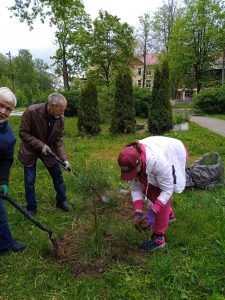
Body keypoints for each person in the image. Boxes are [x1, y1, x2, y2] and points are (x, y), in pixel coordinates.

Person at [118, 136, 188, 251]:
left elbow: (167, 191)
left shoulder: (157, 161)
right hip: (160, 149)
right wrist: (138, 211)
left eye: (134, 172)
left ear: (140, 162)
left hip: (175, 153)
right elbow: (136, 187)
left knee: (158, 194)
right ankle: (169, 215)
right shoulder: (130, 158)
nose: (133, 176)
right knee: (147, 188)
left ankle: (159, 239)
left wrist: (153, 212)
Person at [18, 93, 72, 217]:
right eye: (61, 110)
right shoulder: (31, 111)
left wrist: (64, 159)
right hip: (30, 149)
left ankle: (61, 201)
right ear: (51, 105)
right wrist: (40, 145)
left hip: (49, 151)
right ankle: (31, 208)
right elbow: (23, 133)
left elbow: (58, 140)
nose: (63, 113)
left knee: (58, 175)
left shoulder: (61, 118)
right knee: (29, 181)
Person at [0, 87, 26, 254]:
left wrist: (3, 181)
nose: (3, 111)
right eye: (0, 105)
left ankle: (5, 244)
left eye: (8, 108)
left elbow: (5, 161)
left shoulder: (9, 136)